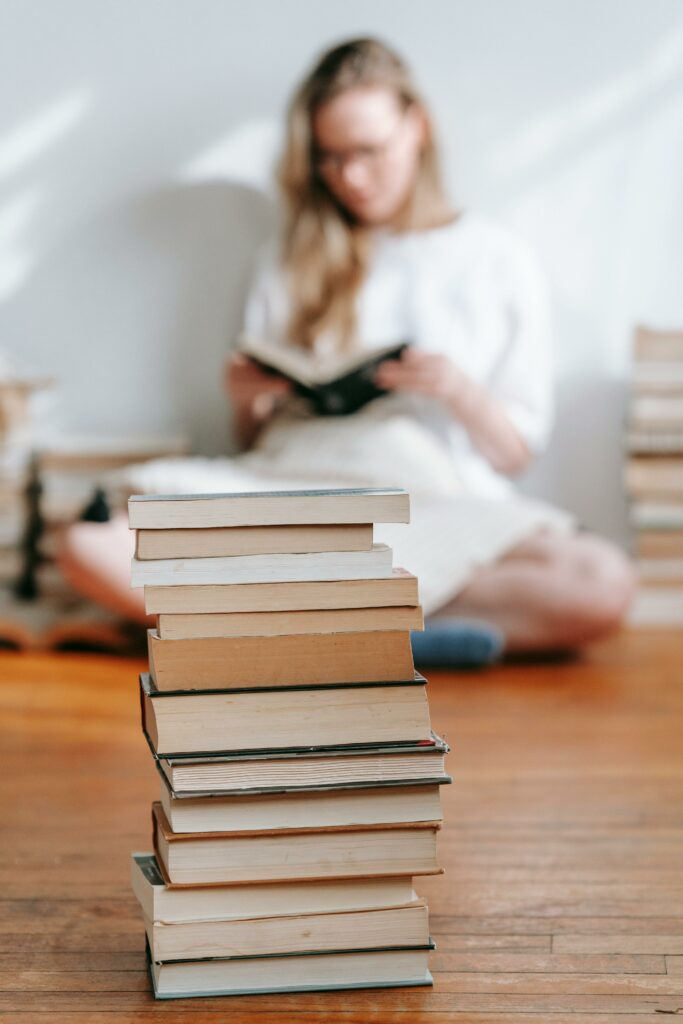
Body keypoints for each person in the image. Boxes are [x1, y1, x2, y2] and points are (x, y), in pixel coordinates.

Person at [58, 37, 636, 657]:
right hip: (295, 493)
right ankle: (396, 632)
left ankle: (288, 626)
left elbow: (516, 452)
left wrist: (459, 391)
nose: (351, 177)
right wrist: (248, 402)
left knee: (600, 581)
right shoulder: (286, 258)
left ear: (417, 127)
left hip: (432, 503)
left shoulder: (496, 258)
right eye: (330, 159)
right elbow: (252, 446)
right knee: (87, 543)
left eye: (368, 152)